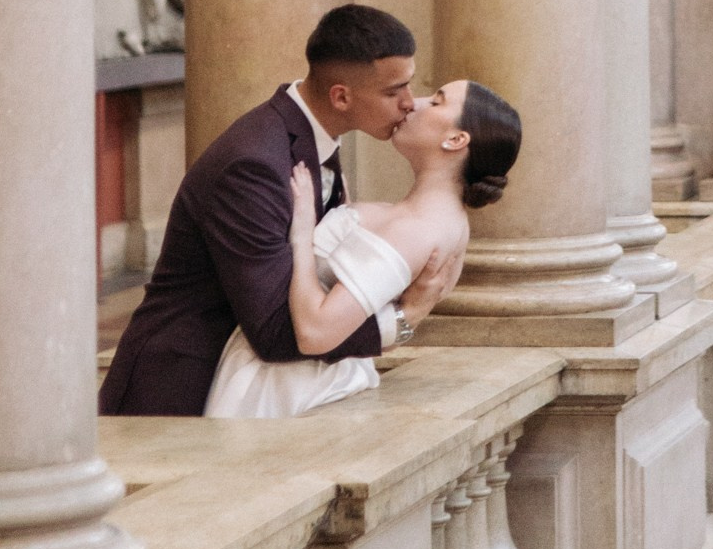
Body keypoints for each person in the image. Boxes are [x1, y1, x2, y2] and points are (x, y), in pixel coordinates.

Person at [99, 3, 451, 416]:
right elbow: (275, 332)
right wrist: (403, 320)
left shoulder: (310, 138)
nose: (410, 103)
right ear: (341, 96)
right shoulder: (254, 165)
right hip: (178, 394)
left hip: (241, 388)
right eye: (394, 91)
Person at [205, 80, 521, 417]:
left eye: (437, 102)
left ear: (456, 139)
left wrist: (300, 236)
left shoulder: (415, 229)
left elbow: (315, 332)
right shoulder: (439, 222)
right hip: (305, 377)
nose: (414, 102)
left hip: (286, 390)